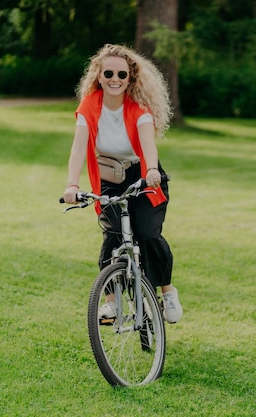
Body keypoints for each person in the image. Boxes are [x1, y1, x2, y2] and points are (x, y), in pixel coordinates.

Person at [62, 44, 182, 323]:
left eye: (121, 74)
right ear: (99, 76)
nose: (115, 79)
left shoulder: (138, 110)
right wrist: (71, 184)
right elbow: (79, 148)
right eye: (109, 73)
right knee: (113, 234)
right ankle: (111, 303)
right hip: (109, 178)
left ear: (130, 78)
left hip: (143, 175)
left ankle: (167, 291)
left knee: (147, 232)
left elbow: (147, 143)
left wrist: (151, 169)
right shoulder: (89, 106)